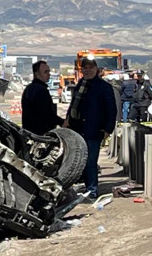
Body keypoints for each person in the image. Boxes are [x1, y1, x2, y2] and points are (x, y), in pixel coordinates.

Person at [64, 58, 117, 199]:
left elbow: (111, 110)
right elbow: (74, 105)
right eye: (85, 68)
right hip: (78, 129)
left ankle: (92, 191)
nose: (87, 70)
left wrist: (107, 129)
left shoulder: (104, 87)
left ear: (96, 69)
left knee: (90, 163)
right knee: (80, 162)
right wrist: (67, 120)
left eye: (90, 68)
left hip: (94, 130)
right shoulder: (81, 84)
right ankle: (86, 189)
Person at [21, 60, 62, 134]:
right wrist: (61, 122)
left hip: (29, 133)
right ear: (37, 74)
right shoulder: (40, 91)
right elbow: (46, 113)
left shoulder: (29, 89)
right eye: (45, 72)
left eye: (49, 72)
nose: (49, 74)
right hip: (40, 135)